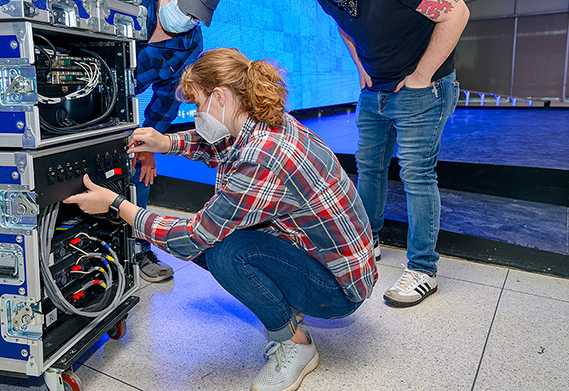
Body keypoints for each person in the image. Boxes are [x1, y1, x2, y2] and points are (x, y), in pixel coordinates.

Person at [64, 48, 376, 391]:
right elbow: (218, 145)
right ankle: (288, 299)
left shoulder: (262, 157)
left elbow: (191, 238)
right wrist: (165, 142)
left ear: (221, 96)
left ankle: (296, 346)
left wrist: (117, 205)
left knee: (224, 252)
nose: (197, 114)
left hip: (338, 289)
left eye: (198, 104)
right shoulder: (264, 122)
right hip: (324, 259)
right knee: (219, 239)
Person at [295, 0, 469, 308]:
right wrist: (360, 65)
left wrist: (424, 74)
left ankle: (423, 269)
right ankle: (366, 242)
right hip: (376, 89)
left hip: (422, 86)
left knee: (416, 173)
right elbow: (344, 25)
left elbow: (456, 11)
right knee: (369, 167)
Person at [92, 0, 224, 283]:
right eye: (186, 7)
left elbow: (166, 99)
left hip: (121, 107)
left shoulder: (189, 46)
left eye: (197, 15)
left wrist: (150, 146)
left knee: (142, 167)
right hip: (71, 93)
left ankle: (138, 249)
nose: (188, 20)